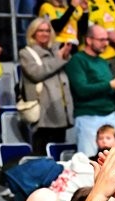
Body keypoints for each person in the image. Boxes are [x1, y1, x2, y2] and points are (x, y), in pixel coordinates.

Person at [65, 24, 115, 156]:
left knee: (114, 161)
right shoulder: (77, 60)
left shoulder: (103, 62)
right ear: (89, 40)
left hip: (109, 115)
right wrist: (110, 85)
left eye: (107, 39)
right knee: (89, 162)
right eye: (101, 40)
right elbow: (81, 90)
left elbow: (108, 89)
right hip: (88, 117)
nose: (106, 43)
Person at [19, 17, 74, 154]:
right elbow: (36, 73)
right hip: (44, 113)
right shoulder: (26, 53)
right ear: (33, 33)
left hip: (60, 109)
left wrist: (65, 56)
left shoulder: (55, 51)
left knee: (59, 152)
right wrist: (59, 59)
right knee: (42, 152)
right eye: (41, 31)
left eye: (47, 31)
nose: (45, 34)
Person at [85, 0, 115, 73]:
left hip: (114, 54)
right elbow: (88, 29)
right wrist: (111, 38)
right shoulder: (86, 3)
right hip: (96, 57)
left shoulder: (110, 1)